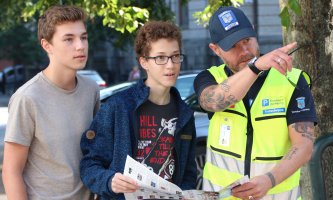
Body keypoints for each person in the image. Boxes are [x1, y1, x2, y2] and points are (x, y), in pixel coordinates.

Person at [193, 6, 318, 200]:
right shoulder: (209, 78)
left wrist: (269, 180)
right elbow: (214, 102)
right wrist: (254, 67)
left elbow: (304, 146)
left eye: (247, 40)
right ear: (215, 49)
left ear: (253, 30)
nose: (244, 50)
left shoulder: (292, 80)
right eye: (232, 45)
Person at [80, 21, 197, 199]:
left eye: (175, 56)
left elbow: (188, 173)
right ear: (144, 62)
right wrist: (109, 180)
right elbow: (89, 164)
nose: (170, 65)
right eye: (160, 58)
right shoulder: (118, 107)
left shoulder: (185, 114)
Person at [2, 5, 99, 200]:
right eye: (69, 39)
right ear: (47, 46)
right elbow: (11, 171)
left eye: (84, 37)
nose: (80, 45)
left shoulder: (91, 90)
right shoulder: (27, 98)